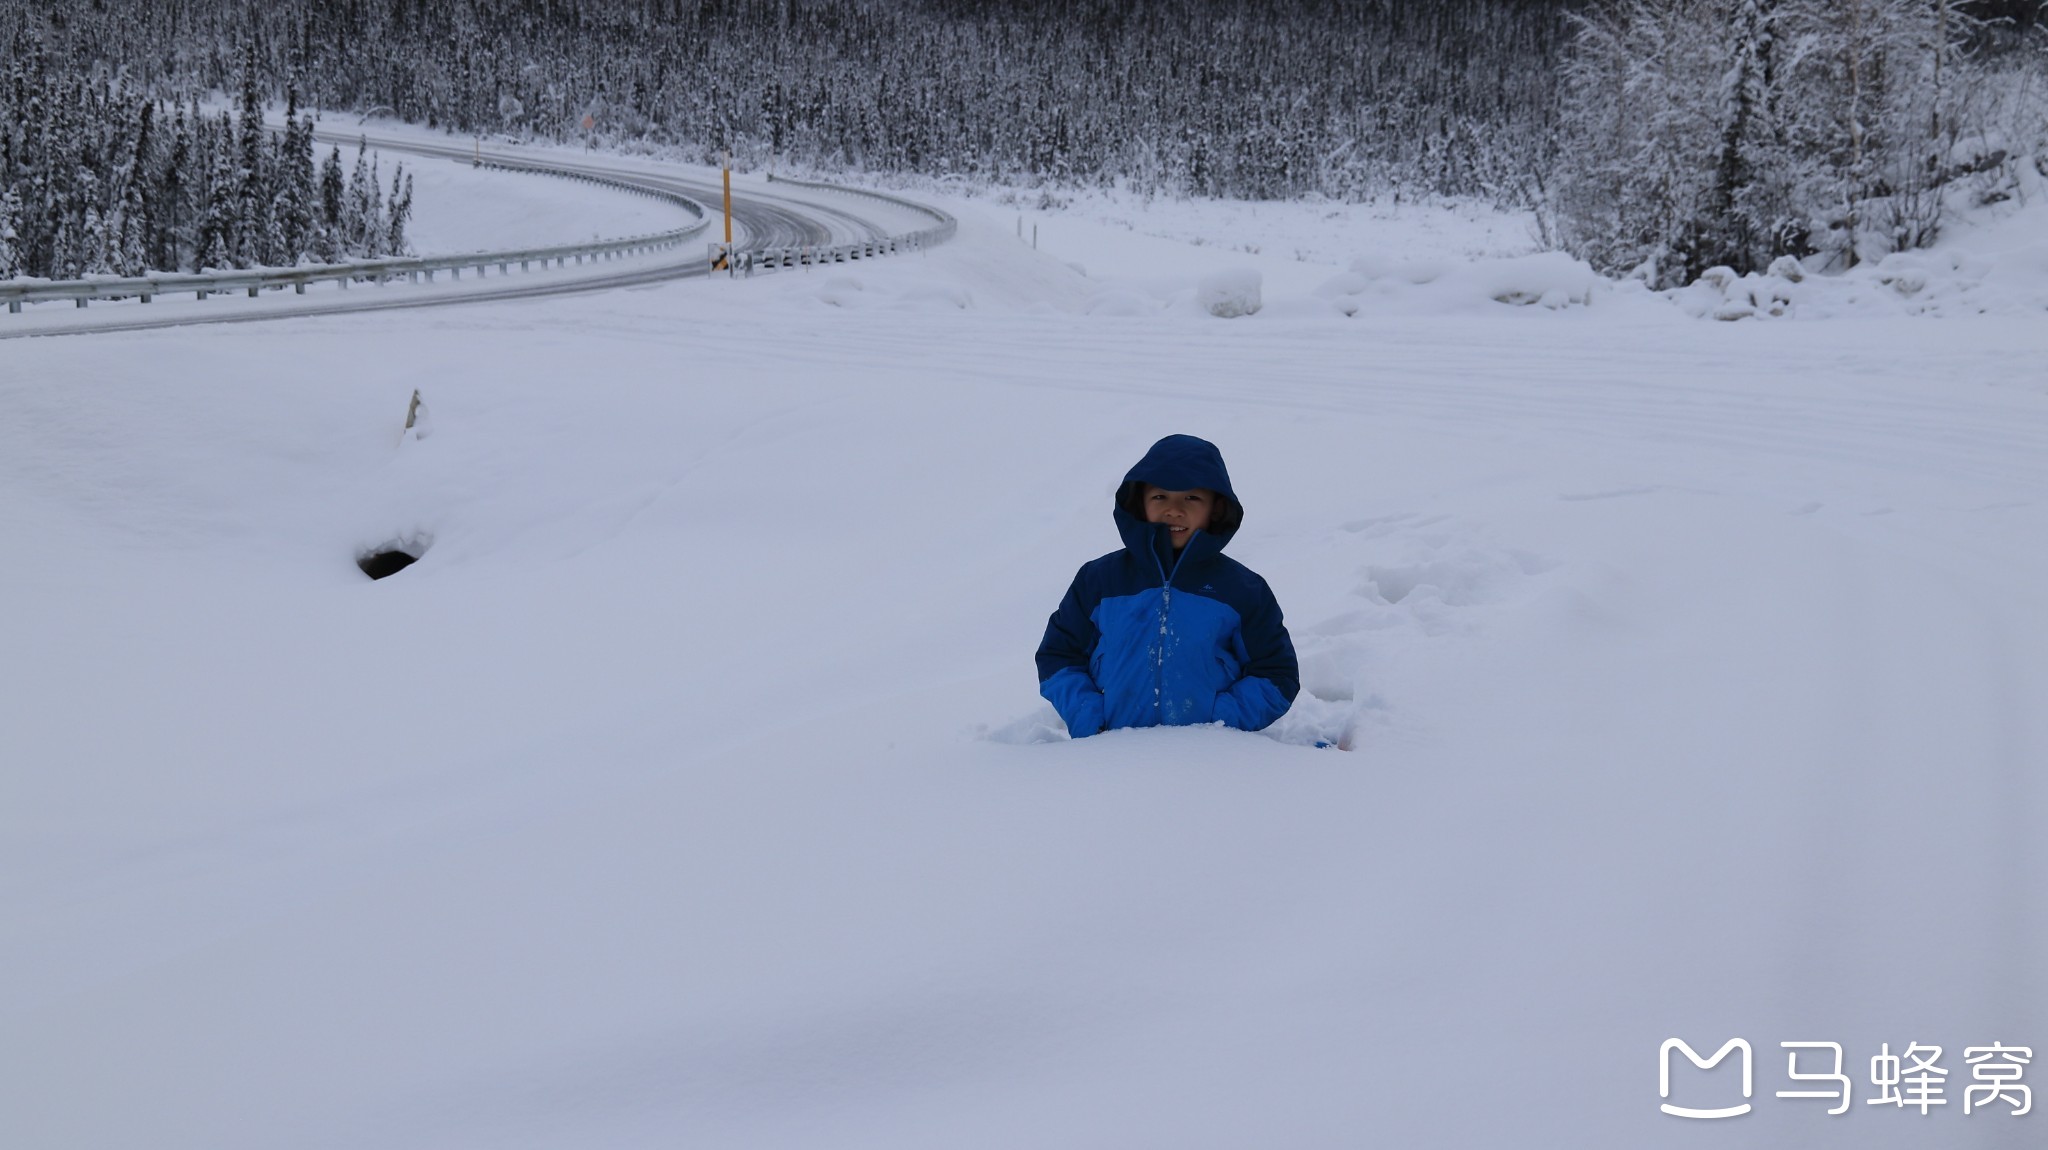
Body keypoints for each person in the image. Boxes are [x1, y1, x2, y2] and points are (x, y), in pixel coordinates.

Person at [1036, 434, 1299, 737]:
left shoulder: (1243, 590)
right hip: (1111, 753)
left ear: (1215, 508)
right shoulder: (1099, 580)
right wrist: (1089, 716)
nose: (1174, 509)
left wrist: (1221, 723)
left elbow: (1277, 674)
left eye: (1191, 498)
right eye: (1160, 497)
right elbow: (1059, 656)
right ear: (1140, 504)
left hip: (1206, 758)